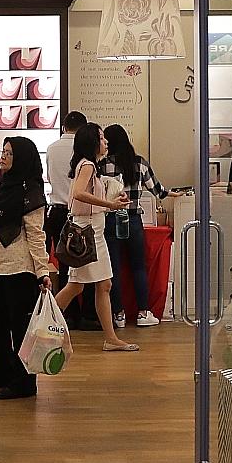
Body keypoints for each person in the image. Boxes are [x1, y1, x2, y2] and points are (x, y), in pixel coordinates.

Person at [53, 123, 138, 352]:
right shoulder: (88, 165)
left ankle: (110, 338)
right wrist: (109, 204)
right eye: (101, 138)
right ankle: (42, 323)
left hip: (92, 232)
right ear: (92, 142)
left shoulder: (88, 165)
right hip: (88, 234)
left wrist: (108, 203)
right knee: (77, 286)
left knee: (101, 285)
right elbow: (78, 193)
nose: (106, 142)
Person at [0, 136, 52, 400]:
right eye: (3, 152)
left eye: (9, 153)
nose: (3, 157)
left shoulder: (30, 192)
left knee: (19, 325)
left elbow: (36, 233)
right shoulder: (4, 187)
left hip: (21, 267)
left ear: (22, 157)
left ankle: (24, 382)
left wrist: (42, 271)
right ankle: (1, 371)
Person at [99, 124, 175, 329]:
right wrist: (175, 194)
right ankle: (143, 312)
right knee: (138, 267)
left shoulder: (102, 165)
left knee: (113, 269)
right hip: (133, 220)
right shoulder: (139, 163)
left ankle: (119, 314)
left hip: (110, 219)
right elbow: (158, 190)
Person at [44, 111, 95, 328]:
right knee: (87, 262)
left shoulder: (52, 148)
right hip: (78, 213)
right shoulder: (85, 152)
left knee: (65, 263)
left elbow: (49, 176)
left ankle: (67, 314)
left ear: (64, 127)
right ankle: (88, 314)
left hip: (56, 211)